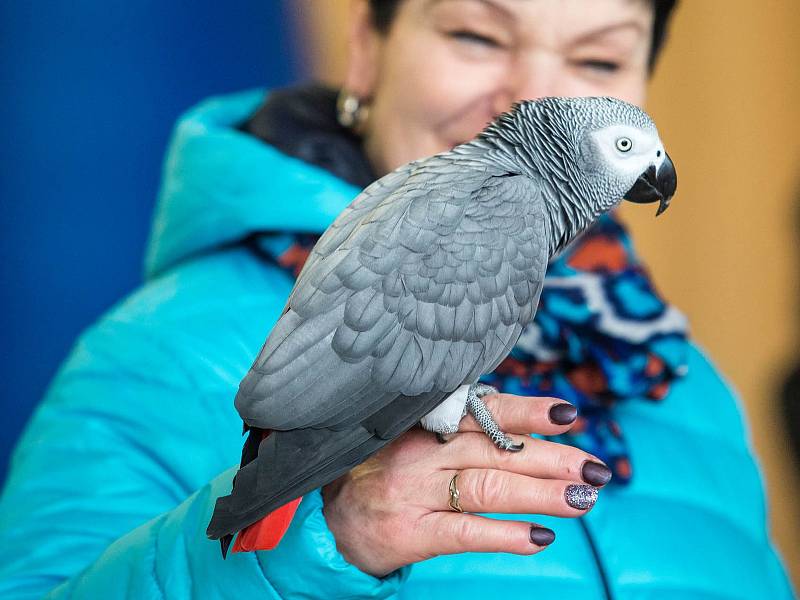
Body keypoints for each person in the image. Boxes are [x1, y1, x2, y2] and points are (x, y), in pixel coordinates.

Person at [0, 0, 794, 597]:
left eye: (598, 60)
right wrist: (319, 537)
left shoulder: (674, 376)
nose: (531, 89)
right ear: (367, 50)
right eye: (476, 36)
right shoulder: (149, 352)